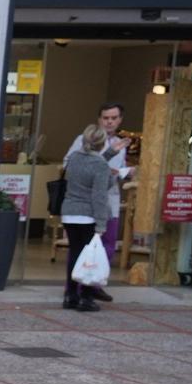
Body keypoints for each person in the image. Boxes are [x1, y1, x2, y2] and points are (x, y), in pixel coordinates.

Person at [68, 102, 128, 303]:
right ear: (99, 119)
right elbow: (74, 163)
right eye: (106, 118)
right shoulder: (83, 139)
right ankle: (79, 288)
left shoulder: (120, 144)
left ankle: (95, 284)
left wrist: (122, 173)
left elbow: (113, 169)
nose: (109, 122)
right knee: (82, 248)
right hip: (87, 203)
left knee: (108, 244)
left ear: (120, 120)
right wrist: (104, 168)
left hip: (109, 199)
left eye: (113, 118)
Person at [61, 125, 114, 313]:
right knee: (89, 257)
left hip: (69, 211)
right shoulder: (99, 165)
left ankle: (70, 295)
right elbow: (99, 195)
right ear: (101, 144)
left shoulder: (73, 158)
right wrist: (101, 222)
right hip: (88, 214)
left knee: (74, 253)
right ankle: (87, 297)